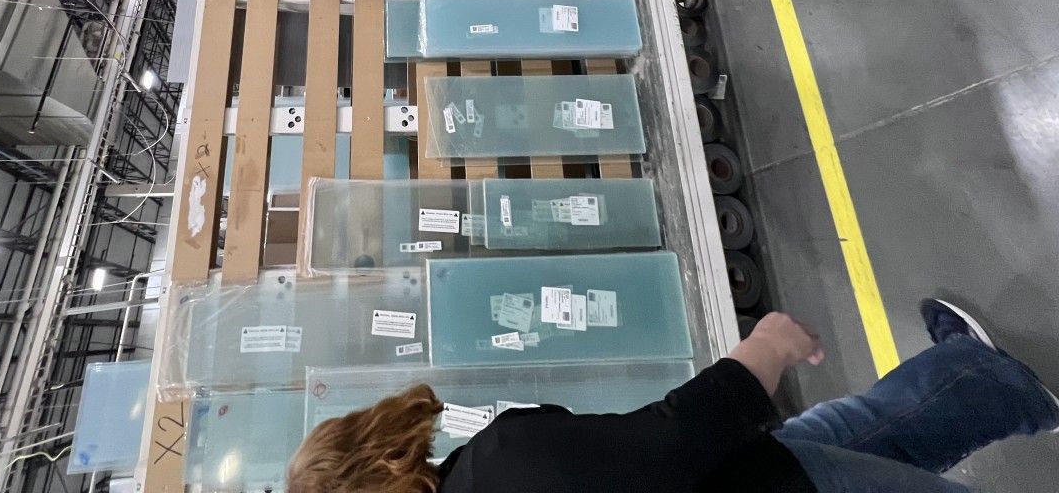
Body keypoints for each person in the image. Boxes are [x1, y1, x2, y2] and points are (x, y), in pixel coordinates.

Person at [287, 299, 1059, 493]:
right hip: (757, 485)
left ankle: (982, 379)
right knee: (849, 450)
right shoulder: (504, 465)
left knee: (861, 430)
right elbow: (671, 441)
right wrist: (765, 348)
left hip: (753, 470)